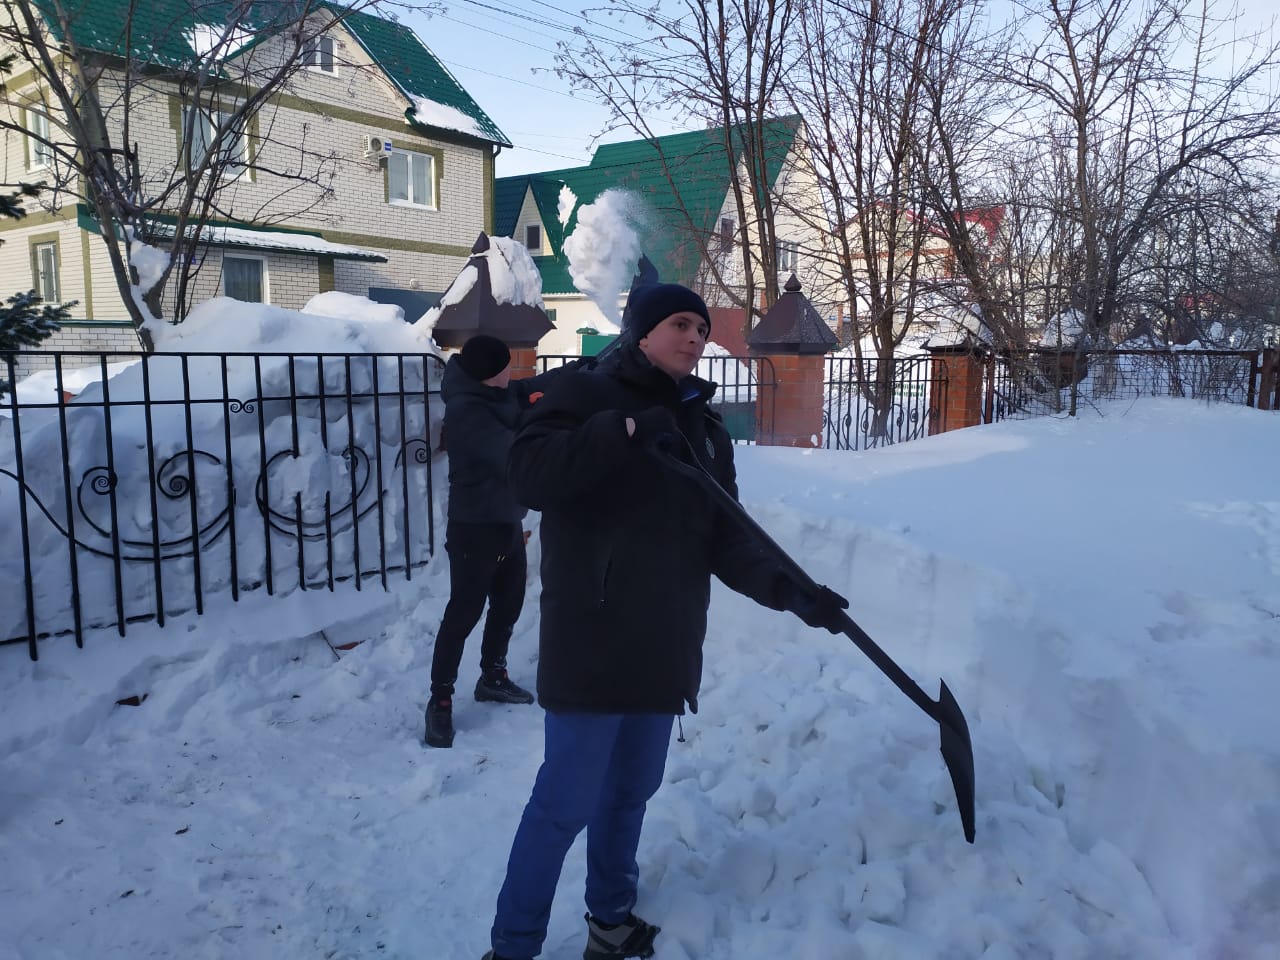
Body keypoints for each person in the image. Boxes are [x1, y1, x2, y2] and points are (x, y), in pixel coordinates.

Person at [482, 283, 850, 960]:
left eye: (702, 328)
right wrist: (620, 431)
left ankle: (610, 919)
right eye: (680, 323)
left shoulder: (702, 428)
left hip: (664, 644)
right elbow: (530, 478)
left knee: (630, 794)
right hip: (592, 642)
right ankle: (513, 945)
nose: (695, 337)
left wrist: (795, 592)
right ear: (642, 331)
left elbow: (727, 536)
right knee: (564, 803)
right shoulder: (582, 394)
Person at [426, 334, 539, 749]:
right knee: (464, 613)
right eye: (506, 365)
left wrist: (579, 373)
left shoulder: (494, 393)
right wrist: (540, 418)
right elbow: (512, 452)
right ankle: (440, 700)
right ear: (491, 374)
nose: (512, 371)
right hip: (474, 528)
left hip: (507, 522)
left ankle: (493, 676)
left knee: (508, 604)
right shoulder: (467, 411)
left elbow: (526, 390)